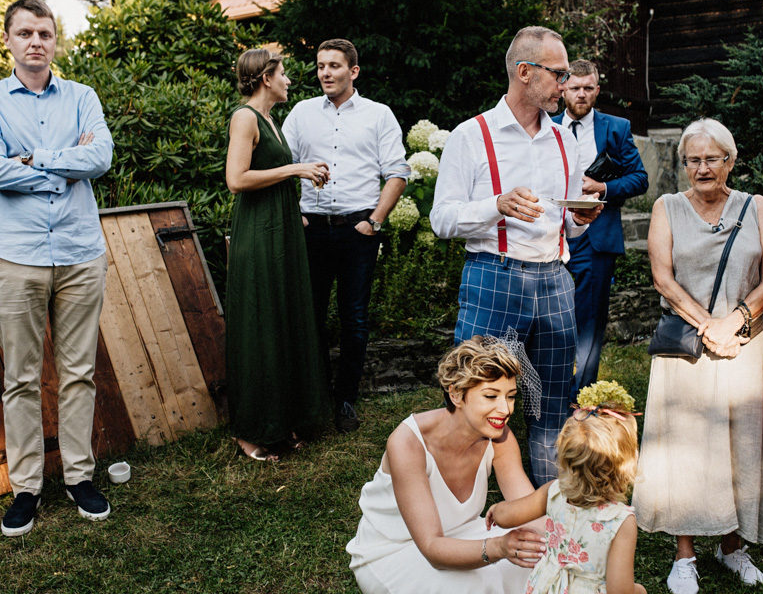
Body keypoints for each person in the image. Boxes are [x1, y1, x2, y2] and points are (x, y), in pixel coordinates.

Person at [0, 0, 114, 536]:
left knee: (79, 372)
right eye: (25, 32)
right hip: (17, 257)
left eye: (45, 33)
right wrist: (63, 161)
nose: (36, 41)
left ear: (56, 41)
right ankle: (26, 488)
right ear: (7, 40)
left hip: (79, 253)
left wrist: (30, 159)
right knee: (21, 378)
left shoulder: (83, 97)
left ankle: (79, 476)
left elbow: (101, 157)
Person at [430, 26, 602, 486]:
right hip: (494, 277)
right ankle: (461, 495)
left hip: (554, 281)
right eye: (559, 74)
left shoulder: (566, 141)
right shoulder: (471, 136)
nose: (566, 85)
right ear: (525, 72)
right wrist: (496, 206)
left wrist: (580, 219)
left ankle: (548, 499)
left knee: (549, 399)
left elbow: (565, 220)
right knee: (475, 394)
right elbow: (441, 219)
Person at [631, 119, 763, 594]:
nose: (701, 168)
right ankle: (684, 555)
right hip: (687, 348)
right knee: (687, 447)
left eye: (711, 158)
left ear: (730, 161)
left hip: (745, 344)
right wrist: (709, 326)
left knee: (741, 444)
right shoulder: (667, 207)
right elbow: (663, 279)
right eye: (692, 160)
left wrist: (732, 322)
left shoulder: (757, 207)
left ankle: (733, 546)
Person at [347, 336, 547, 594]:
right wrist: (499, 547)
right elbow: (432, 548)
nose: (505, 409)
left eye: (510, 396)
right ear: (456, 394)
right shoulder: (408, 443)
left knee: (539, 564)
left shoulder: (500, 437)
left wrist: (570, 526)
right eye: (490, 396)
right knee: (474, 585)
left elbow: (528, 511)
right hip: (394, 551)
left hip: (467, 535)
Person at [282, 38, 409, 433]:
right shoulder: (301, 114)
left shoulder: (378, 115)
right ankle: (317, 397)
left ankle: (346, 400)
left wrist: (374, 221)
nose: (325, 73)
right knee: (311, 315)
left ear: (353, 71)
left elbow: (398, 173)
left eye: (334, 66)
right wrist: (295, 215)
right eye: (320, 66)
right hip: (311, 228)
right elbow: (281, 165)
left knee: (354, 318)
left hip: (358, 230)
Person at [225, 48, 331, 461]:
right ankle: (251, 430)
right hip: (259, 237)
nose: (289, 80)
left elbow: (268, 178)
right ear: (266, 77)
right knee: (260, 326)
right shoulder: (245, 117)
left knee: (283, 322)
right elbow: (236, 178)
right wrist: (297, 169)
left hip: (282, 230)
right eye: (283, 74)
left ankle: (281, 420)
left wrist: (294, 209)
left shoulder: (272, 121)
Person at [485, 387, 646, 594]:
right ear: (626, 464)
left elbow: (509, 516)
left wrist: (497, 510)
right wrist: (639, 590)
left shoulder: (554, 491)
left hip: (547, 586)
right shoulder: (620, 521)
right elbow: (619, 590)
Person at [551, 60, 648, 397]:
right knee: (550, 316)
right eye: (575, 87)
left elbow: (640, 179)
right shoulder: (543, 125)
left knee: (590, 320)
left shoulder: (616, 128)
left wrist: (602, 188)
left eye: (588, 88)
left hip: (596, 238)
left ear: (597, 90)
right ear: (563, 87)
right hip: (552, 235)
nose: (581, 94)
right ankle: (550, 386)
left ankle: (582, 394)